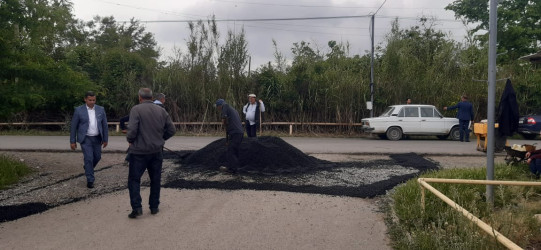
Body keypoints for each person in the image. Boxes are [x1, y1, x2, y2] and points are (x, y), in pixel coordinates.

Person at [126, 88, 175, 219]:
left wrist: (130, 140)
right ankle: (154, 207)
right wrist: (161, 139)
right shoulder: (161, 110)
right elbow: (172, 129)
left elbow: (131, 130)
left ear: (140, 97)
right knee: (155, 179)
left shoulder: (136, 110)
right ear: (152, 97)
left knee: (134, 179)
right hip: (156, 152)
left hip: (139, 152)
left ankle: (137, 207)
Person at [70, 91, 109, 189]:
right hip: (85, 138)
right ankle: (90, 180)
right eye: (90, 100)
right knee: (88, 158)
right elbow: (73, 126)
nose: (92, 102)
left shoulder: (101, 109)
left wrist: (105, 139)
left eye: (94, 100)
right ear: (85, 99)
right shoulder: (79, 110)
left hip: (97, 138)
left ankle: (88, 168)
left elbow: (104, 125)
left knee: (97, 157)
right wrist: (72, 141)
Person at [215, 99, 244, 173]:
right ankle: (235, 167)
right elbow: (228, 128)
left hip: (235, 133)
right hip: (239, 133)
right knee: (235, 150)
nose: (218, 109)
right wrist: (227, 140)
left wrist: (223, 121)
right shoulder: (233, 110)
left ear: (219, 106)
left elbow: (224, 118)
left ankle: (232, 169)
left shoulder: (225, 106)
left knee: (231, 151)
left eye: (217, 107)